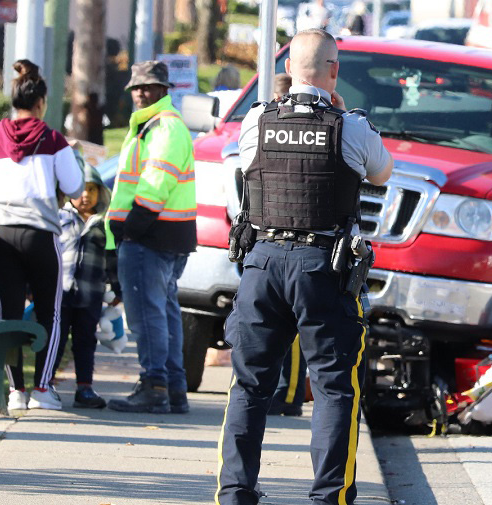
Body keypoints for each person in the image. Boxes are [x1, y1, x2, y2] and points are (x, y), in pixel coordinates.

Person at [216, 29, 393, 505]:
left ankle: (234, 494)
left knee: (249, 385)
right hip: (322, 266)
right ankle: (328, 498)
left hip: (262, 263)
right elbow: (382, 172)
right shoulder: (350, 128)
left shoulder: (255, 121)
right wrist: (336, 111)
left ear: (288, 68)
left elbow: (240, 173)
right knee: (334, 388)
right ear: (335, 70)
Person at [0, 59, 84, 411]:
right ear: (41, 102)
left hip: (0, 235)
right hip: (39, 235)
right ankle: (42, 389)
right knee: (49, 312)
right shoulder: (52, 140)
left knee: (9, 314)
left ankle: (15, 393)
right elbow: (74, 186)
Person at [105, 60, 197, 414]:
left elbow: (156, 184)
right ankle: (172, 388)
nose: (141, 93)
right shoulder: (155, 126)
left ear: (164, 90)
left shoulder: (163, 127)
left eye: (148, 87)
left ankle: (154, 384)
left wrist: (130, 231)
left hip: (150, 237)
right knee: (164, 311)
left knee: (148, 314)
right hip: (163, 237)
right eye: (136, 88)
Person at [52, 156, 118, 408]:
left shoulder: (103, 223)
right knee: (55, 339)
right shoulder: (59, 217)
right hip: (62, 291)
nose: (85, 196)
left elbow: (112, 257)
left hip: (90, 294)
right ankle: (44, 383)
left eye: (91, 190)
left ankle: (84, 388)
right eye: (80, 190)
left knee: (85, 341)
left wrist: (117, 286)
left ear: (100, 193)